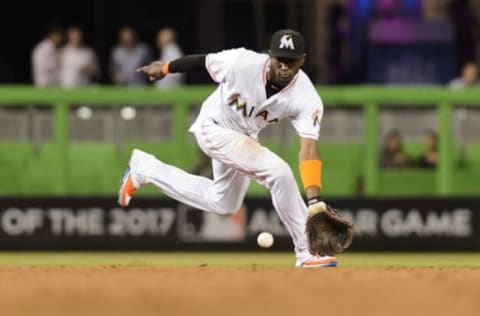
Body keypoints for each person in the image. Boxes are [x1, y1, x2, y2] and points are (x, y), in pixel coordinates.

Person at [119, 29, 341, 268]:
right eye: (280, 60)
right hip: (213, 127)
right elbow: (203, 61)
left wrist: (315, 200)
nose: (285, 66)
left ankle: (145, 169)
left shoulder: (306, 96)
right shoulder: (241, 62)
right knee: (279, 172)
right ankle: (306, 251)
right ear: (270, 56)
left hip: (244, 135)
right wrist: (165, 68)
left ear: (302, 61)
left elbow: (308, 149)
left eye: (292, 61)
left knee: (224, 203)